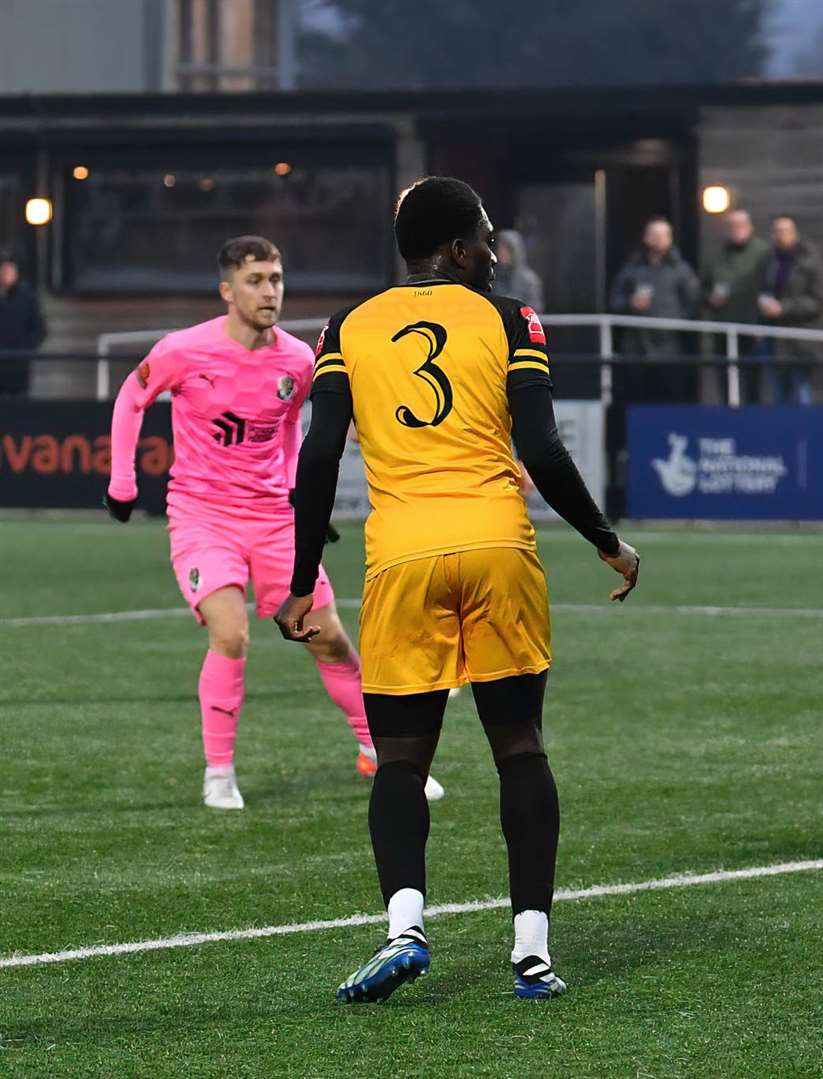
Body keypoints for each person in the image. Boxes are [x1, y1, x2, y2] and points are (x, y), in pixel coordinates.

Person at [276, 177, 640, 1003]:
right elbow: (542, 449)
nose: (494, 251)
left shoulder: (347, 326)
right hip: (496, 547)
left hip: (401, 558)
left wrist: (302, 582)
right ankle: (532, 954)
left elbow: (319, 456)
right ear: (452, 250)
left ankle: (405, 927)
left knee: (400, 761)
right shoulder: (511, 318)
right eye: (482, 237)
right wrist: (606, 541)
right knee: (520, 748)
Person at [100, 236, 436, 810]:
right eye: (256, 280)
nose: (269, 291)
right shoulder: (184, 350)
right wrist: (122, 482)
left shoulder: (299, 359)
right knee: (229, 633)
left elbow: (303, 424)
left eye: (276, 279)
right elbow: (132, 397)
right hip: (203, 517)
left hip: (274, 520)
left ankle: (377, 750)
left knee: (328, 639)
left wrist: (296, 492)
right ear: (227, 290)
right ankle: (219, 773)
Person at [608, 218, 701, 401]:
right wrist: (630, 304)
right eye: (654, 234)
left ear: (670, 238)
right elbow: (614, 300)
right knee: (635, 397)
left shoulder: (681, 270)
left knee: (669, 398)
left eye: (663, 235)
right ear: (646, 238)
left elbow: (693, 304)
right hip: (636, 347)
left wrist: (673, 322)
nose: (658, 239)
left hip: (669, 348)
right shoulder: (632, 268)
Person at [759, 215, 823, 406]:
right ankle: (781, 434)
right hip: (774, 337)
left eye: (785, 231)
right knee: (778, 393)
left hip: (801, 339)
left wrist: (784, 308)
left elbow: (820, 300)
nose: (780, 236)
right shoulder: (769, 261)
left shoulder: (810, 262)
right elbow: (764, 288)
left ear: (794, 233)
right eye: (776, 231)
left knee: (801, 390)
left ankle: (807, 434)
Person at [700, 209, 771, 401]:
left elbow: (773, 287)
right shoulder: (718, 255)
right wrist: (710, 298)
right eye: (731, 226)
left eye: (741, 225)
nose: (736, 230)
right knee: (725, 379)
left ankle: (753, 421)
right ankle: (728, 420)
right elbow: (702, 288)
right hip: (723, 326)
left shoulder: (764, 253)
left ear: (750, 227)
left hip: (754, 326)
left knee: (753, 380)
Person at [0, 253, 48, 396]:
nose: (7, 274)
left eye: (10, 270)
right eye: (4, 270)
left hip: (19, 367)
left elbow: (40, 329)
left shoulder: (26, 296)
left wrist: (25, 351)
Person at [493, 229, 544, 311]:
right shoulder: (493, 278)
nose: (501, 252)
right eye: (500, 248)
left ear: (515, 250)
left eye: (506, 248)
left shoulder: (529, 281)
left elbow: (535, 311)